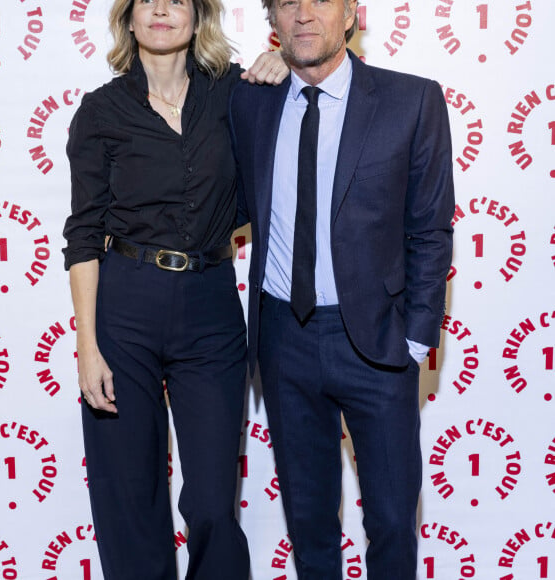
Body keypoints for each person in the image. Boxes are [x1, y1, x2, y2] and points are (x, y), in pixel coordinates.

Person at [229, 0, 455, 578]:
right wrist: (266, 66)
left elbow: (429, 228)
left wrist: (414, 341)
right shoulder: (248, 99)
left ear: (352, 14)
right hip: (283, 338)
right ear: (272, 23)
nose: (303, 13)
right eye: (286, 3)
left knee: (391, 519)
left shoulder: (412, 100)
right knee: (308, 523)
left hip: (379, 344)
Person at [62, 1, 287, 579]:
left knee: (213, 498)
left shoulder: (235, 94)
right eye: (148, 0)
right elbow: (84, 235)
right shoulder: (100, 111)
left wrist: (280, 64)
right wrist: (88, 346)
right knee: (129, 495)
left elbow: (278, 153)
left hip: (211, 305)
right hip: (124, 306)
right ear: (129, 19)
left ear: (198, 17)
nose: (163, 9)